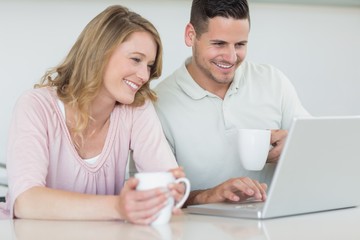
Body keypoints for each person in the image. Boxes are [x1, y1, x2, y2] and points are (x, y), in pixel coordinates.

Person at [0, 5, 186, 225]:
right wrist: (117, 206)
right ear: (100, 53)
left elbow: (169, 177)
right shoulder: (36, 106)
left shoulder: (136, 108)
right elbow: (26, 201)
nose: (144, 75)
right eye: (136, 59)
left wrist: (173, 189)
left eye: (149, 66)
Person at [154, 0, 310, 206]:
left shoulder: (273, 81)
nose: (231, 57)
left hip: (274, 226)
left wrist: (296, 147)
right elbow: (158, 195)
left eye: (240, 45)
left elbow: (322, 151)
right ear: (191, 35)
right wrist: (209, 196)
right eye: (219, 44)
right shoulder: (159, 104)